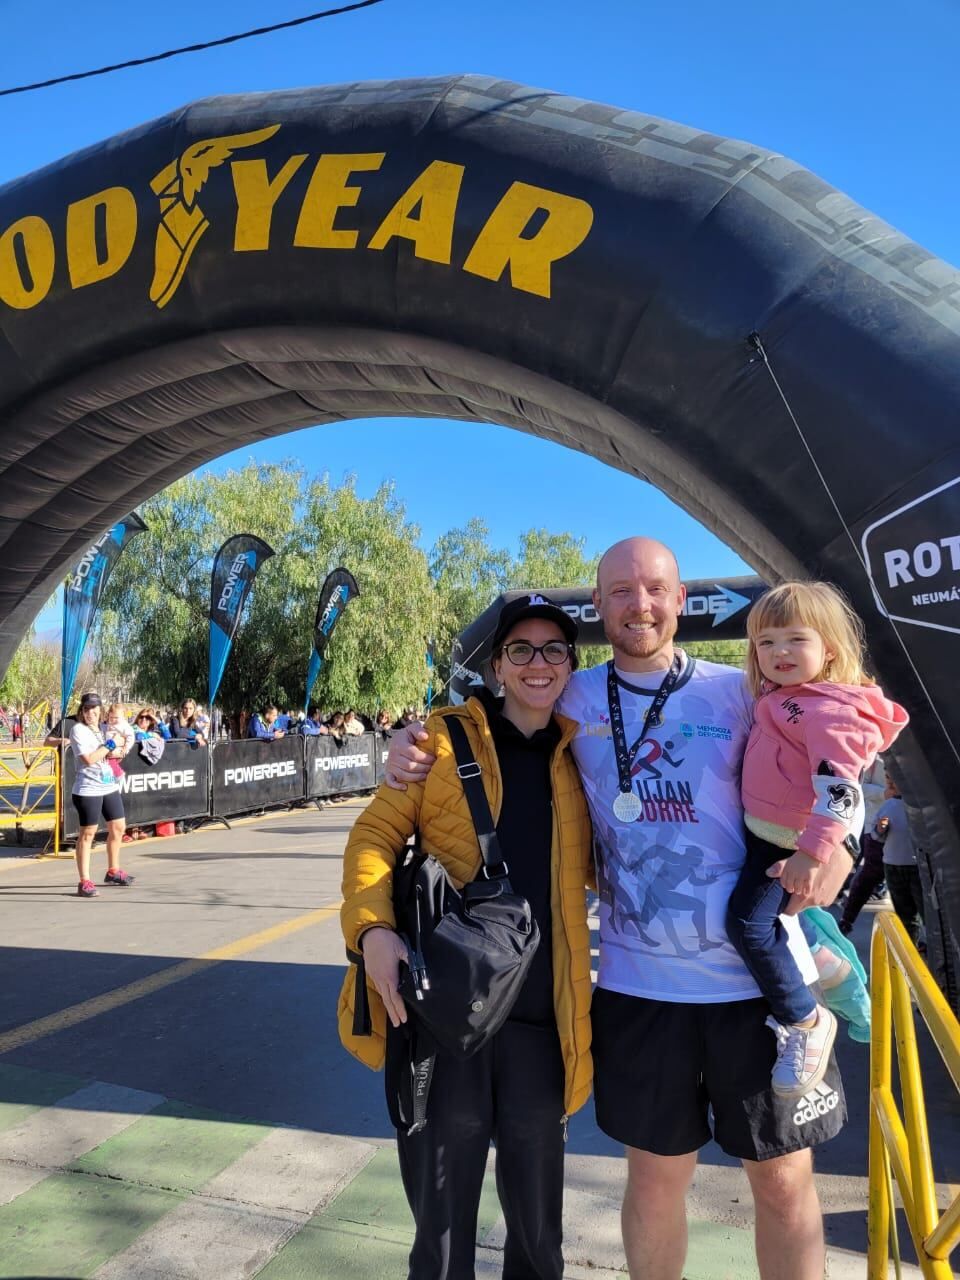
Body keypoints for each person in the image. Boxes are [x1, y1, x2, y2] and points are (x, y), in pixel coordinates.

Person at [388, 538, 859, 1280]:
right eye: (620, 592)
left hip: (758, 990)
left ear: (681, 602)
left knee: (782, 1182)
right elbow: (476, 726)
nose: (639, 604)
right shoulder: (568, 696)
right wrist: (408, 743)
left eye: (654, 589)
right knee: (656, 1180)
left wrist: (840, 849)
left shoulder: (742, 692)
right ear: (599, 606)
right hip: (640, 990)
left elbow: (844, 754)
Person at [340, 595, 594, 1280]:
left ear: (571, 665)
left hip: (543, 1023)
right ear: (497, 666)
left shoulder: (583, 758)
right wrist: (373, 933)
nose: (537, 663)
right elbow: (374, 836)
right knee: (442, 1221)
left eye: (553, 650)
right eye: (521, 650)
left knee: (540, 1233)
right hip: (449, 1018)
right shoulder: (439, 741)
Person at [726, 582, 907, 1097]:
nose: (779, 652)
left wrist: (813, 853)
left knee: (746, 923)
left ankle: (805, 1020)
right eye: (766, 642)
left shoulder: (831, 711)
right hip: (766, 834)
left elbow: (842, 793)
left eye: (794, 639)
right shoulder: (784, 698)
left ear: (829, 647)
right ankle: (827, 955)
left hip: (788, 844)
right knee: (785, 921)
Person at [68, 692, 135, 896]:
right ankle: (84, 881)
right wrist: (110, 746)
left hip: (109, 785)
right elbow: (89, 759)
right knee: (88, 834)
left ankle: (113, 870)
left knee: (118, 827)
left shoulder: (104, 728)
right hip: (88, 789)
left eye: (95, 708)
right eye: (87, 709)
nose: (91, 713)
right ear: (82, 711)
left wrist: (120, 749)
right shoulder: (78, 730)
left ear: (100, 710)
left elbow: (121, 743)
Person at [875, 774, 925, 947]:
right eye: (887, 777)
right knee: (905, 914)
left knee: (925, 913)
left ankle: (930, 949)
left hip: (916, 868)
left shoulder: (919, 806)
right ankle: (911, 949)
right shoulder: (888, 805)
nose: (889, 781)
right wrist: (881, 829)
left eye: (893, 776)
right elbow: (877, 836)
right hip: (892, 865)